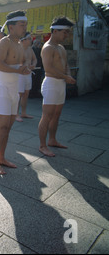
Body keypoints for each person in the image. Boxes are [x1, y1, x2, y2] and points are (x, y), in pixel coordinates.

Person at [0, 10, 30, 175]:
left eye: (25, 25)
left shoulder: (20, 44)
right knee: (2, 127)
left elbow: (18, 65)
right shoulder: (4, 42)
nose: (24, 28)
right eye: (22, 25)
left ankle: (1, 157)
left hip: (14, 90)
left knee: (8, 128)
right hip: (2, 89)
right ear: (11, 27)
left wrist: (25, 68)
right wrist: (18, 70)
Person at [38, 16, 76, 157]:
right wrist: (66, 77)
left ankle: (52, 140)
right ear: (55, 31)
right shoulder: (47, 48)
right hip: (51, 83)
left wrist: (68, 75)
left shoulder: (61, 48)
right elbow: (48, 69)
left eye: (67, 32)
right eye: (64, 32)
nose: (66, 35)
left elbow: (65, 65)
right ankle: (42, 145)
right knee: (47, 116)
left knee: (56, 115)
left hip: (60, 83)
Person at [16, 32, 37, 122]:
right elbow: (18, 62)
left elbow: (35, 59)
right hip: (20, 75)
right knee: (19, 95)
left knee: (26, 94)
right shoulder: (18, 48)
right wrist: (26, 65)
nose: (31, 40)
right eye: (29, 38)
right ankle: (16, 114)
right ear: (23, 40)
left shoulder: (30, 49)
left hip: (28, 73)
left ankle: (23, 112)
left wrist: (33, 65)